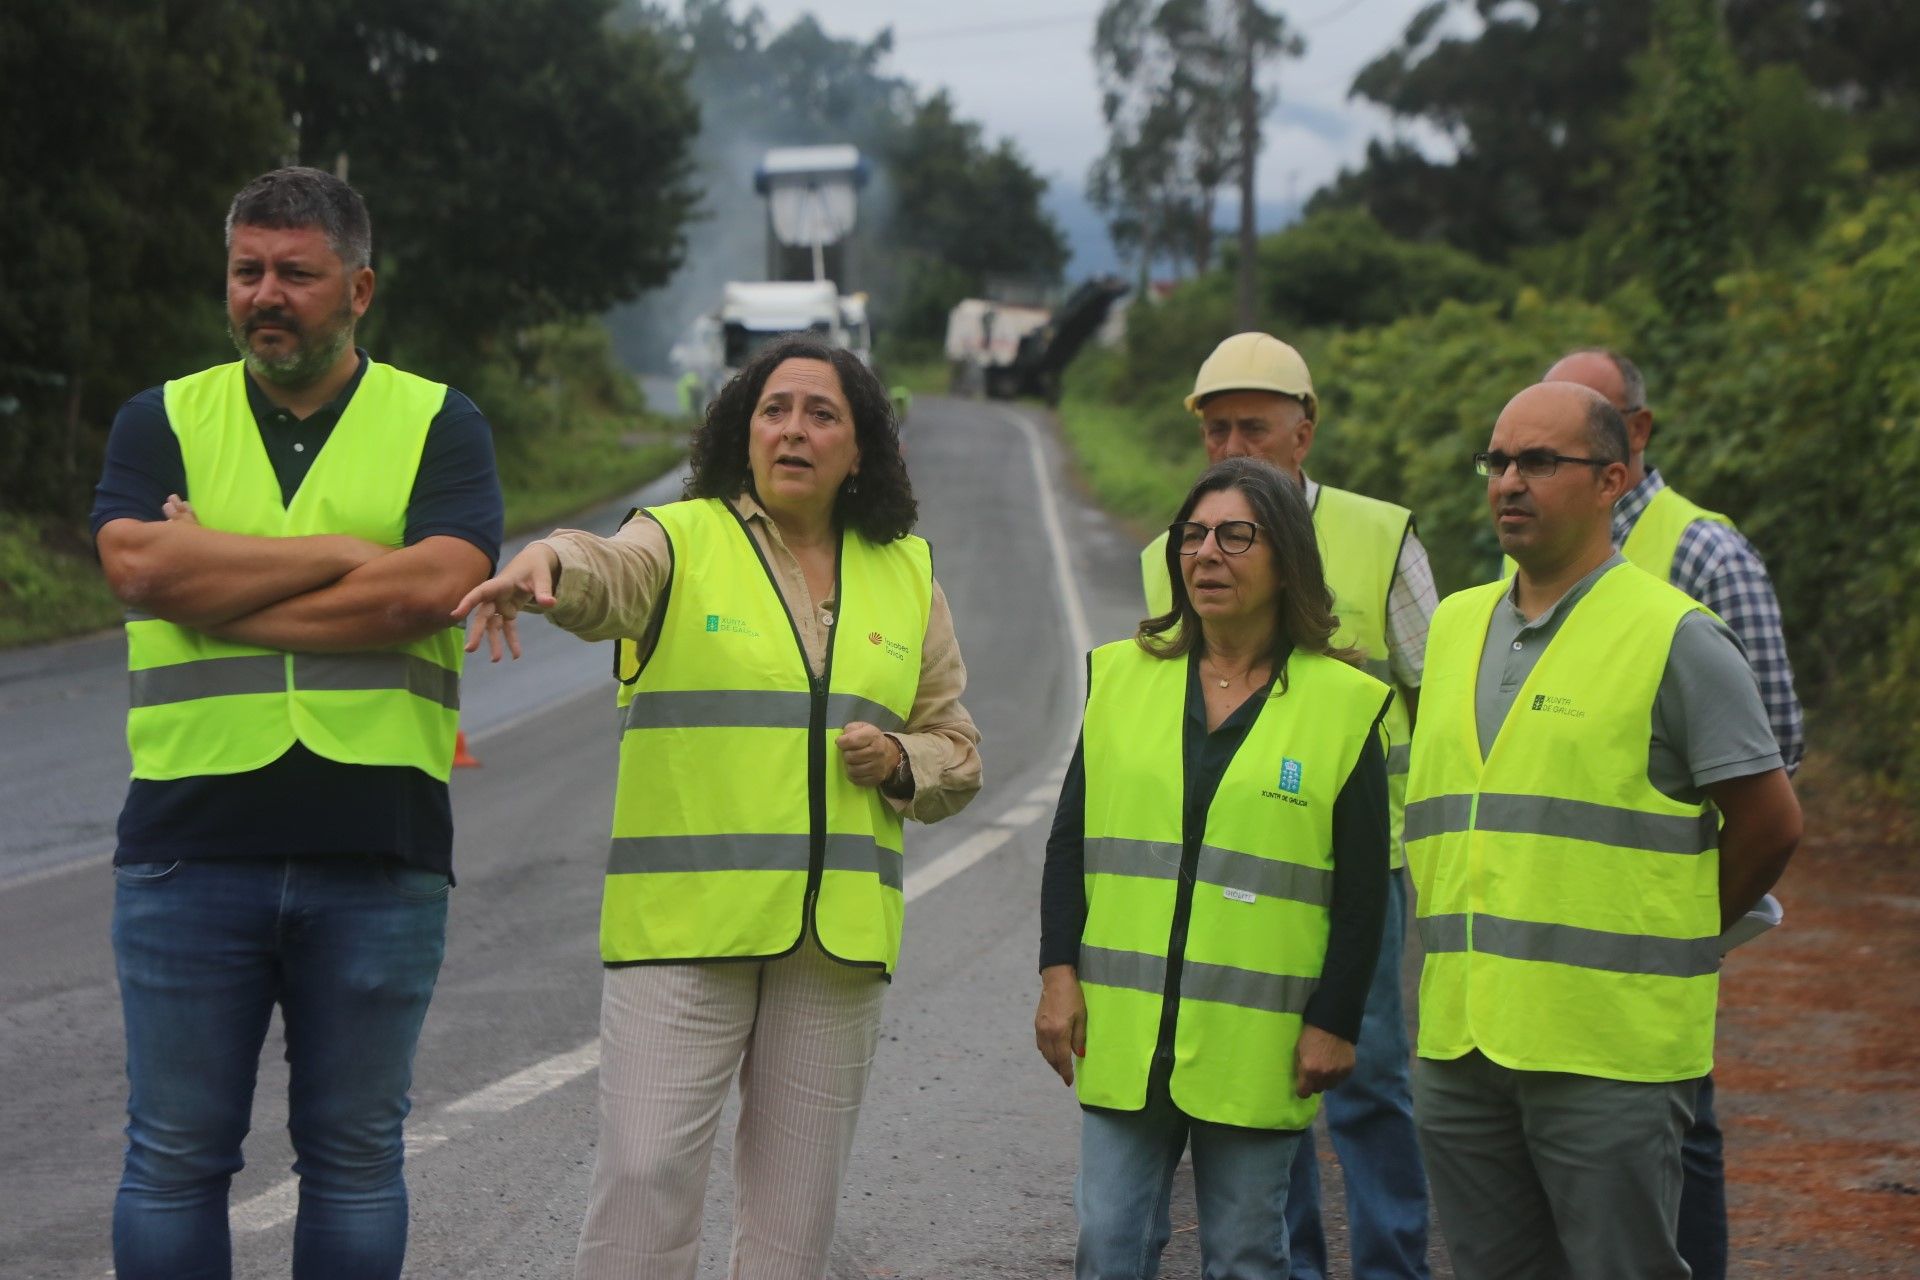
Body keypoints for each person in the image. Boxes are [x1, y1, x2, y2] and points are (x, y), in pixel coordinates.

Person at [453, 337, 981, 1280]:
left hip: (836, 947)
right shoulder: (682, 535)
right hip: (684, 933)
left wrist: (902, 758)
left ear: (860, 450)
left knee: (793, 1221)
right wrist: (549, 565)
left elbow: (957, 747)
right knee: (645, 1176)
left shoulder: (907, 576)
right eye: (775, 409)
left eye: (823, 414)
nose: (794, 429)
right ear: (745, 430)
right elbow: (608, 570)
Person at [90, 167, 502, 1279]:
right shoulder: (162, 416)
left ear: (358, 287)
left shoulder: (439, 422)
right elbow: (135, 564)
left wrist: (210, 574)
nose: (266, 295)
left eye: (297, 274)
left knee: (357, 1157)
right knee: (174, 1157)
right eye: (246, 271)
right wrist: (346, 554)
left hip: (380, 848)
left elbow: (431, 590)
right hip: (187, 849)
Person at [1406, 381, 1802, 1280]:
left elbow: (1771, 821)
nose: (1510, 481)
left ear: (1611, 479)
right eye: (1498, 460)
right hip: (1463, 1043)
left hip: (1608, 1054)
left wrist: (1680, 930)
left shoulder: (1675, 636)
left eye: (1540, 462)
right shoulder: (1455, 626)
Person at [1037, 456, 1394, 1279]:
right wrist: (1058, 975)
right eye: (1192, 536)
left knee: (1244, 1256)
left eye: (1237, 536)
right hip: (1125, 1036)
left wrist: (1335, 1021)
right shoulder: (1122, 679)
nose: (1207, 554)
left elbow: (1364, 887)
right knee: (1109, 1246)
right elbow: (1069, 843)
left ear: (1287, 558)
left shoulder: (1343, 707)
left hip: (1254, 1044)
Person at [1142, 332, 1433, 1279]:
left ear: (1303, 433)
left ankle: (1391, 1264)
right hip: (1233, 867)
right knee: (1263, 1085)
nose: (1234, 448)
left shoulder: (1378, 534)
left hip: (1362, 860)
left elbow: (1441, 689)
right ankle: (1293, 1265)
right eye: (1217, 429)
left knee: (1370, 1081)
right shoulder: (1168, 552)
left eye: (1255, 429)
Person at [1542, 347, 1802, 1280]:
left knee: (1678, 1120)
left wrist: (1693, 921)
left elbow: (1772, 755)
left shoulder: (1704, 552)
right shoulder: (1535, 545)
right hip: (1560, 922)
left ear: (1634, 437)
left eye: (1577, 432)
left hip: (1658, 914)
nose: (1534, 468)